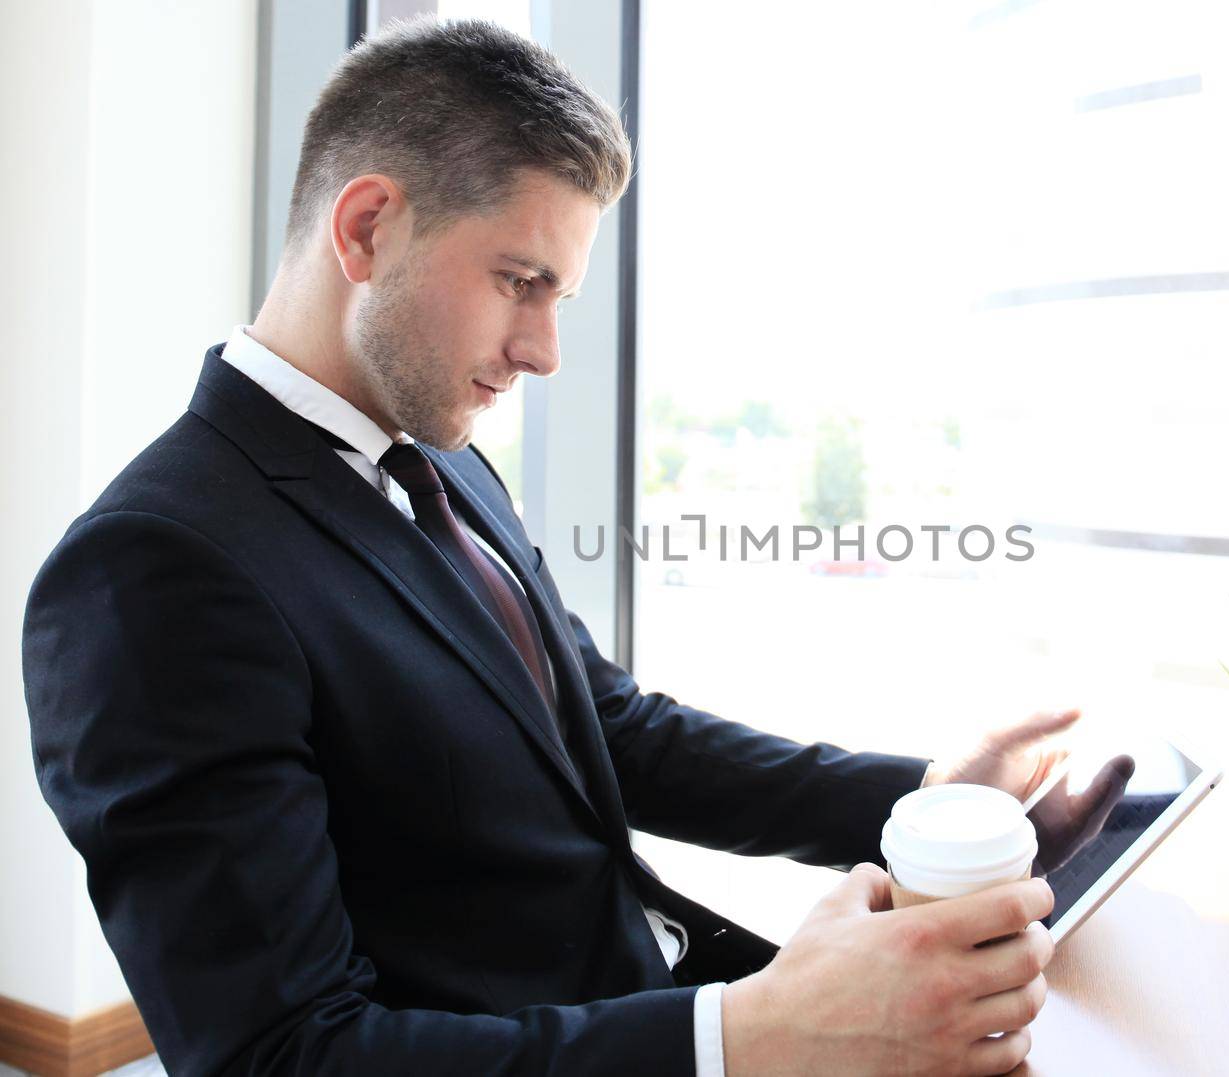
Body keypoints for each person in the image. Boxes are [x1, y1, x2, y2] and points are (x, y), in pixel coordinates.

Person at [22, 17, 1129, 1076]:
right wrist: (745, 1045)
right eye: (521, 282)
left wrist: (920, 795)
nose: (544, 351)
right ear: (365, 229)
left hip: (645, 1004)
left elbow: (605, 727)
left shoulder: (439, 460)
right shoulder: (151, 572)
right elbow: (283, 1055)